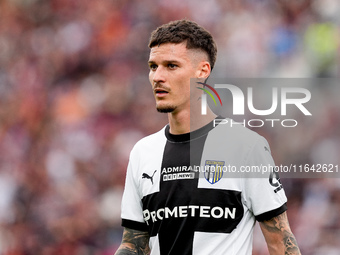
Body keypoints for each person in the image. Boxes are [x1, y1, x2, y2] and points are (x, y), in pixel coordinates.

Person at [115, 19, 301, 255]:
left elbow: (281, 243)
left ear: (202, 71)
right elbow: (134, 245)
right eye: (153, 66)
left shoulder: (245, 147)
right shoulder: (143, 152)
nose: (157, 77)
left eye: (171, 66)